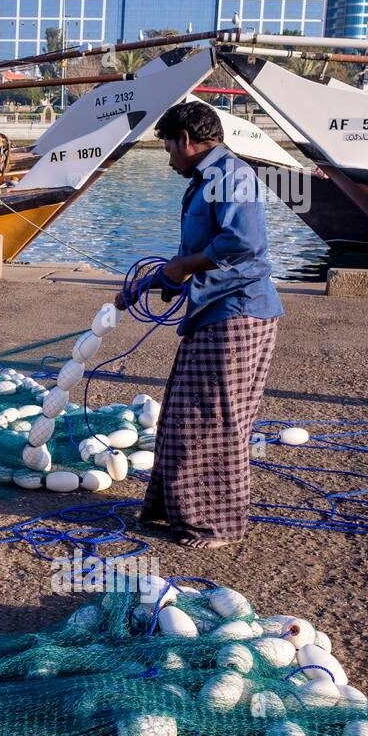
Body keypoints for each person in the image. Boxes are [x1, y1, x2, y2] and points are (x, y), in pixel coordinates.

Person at [117, 101, 285, 550]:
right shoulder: (206, 180)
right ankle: (178, 513)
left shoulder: (231, 176)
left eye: (169, 146)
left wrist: (183, 267)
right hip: (214, 309)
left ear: (186, 140)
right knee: (184, 415)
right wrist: (159, 282)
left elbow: (244, 244)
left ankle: (214, 526)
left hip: (237, 314)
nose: (169, 157)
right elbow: (205, 253)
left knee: (213, 421)